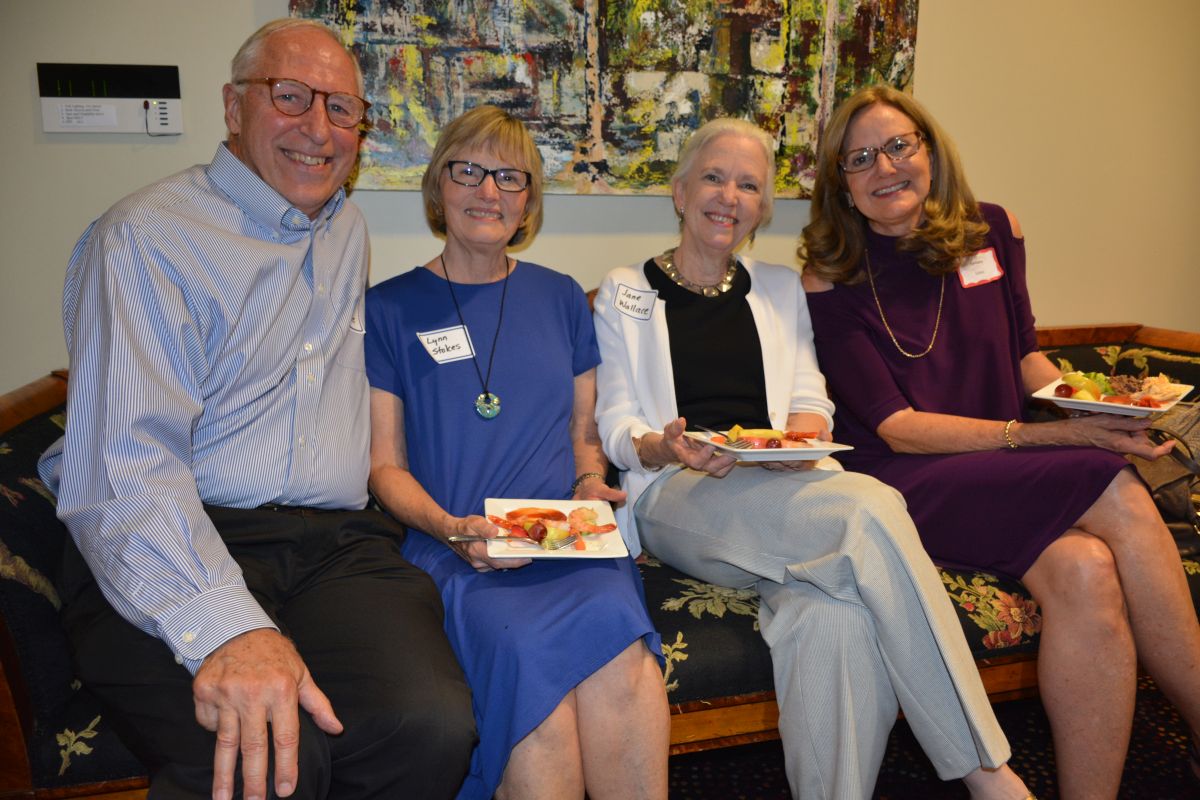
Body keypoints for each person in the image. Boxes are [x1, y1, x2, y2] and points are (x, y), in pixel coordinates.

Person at [37, 18, 476, 800]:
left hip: (336, 548)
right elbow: (123, 470)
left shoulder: (344, 227)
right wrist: (230, 628)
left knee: (429, 728)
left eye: (342, 108)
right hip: (182, 529)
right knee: (270, 761)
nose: (319, 128)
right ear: (234, 107)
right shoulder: (145, 239)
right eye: (291, 97)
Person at [593, 117, 1033, 800]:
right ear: (680, 192)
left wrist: (794, 443)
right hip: (679, 491)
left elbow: (810, 398)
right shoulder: (624, 291)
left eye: (749, 186)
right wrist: (664, 444)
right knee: (869, 508)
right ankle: (985, 769)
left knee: (833, 617)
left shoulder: (778, 287)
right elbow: (617, 424)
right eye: (713, 178)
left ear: (763, 207)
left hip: (783, 489)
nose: (729, 197)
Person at [801, 84, 1200, 798]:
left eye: (898, 145)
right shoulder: (830, 280)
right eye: (859, 159)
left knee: (1087, 569)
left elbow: (1026, 358)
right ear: (842, 184)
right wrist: (1059, 437)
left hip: (1001, 472)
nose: (884, 167)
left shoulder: (993, 229)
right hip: (907, 482)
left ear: (929, 150)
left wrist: (1095, 405)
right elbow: (899, 429)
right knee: (1109, 480)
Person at [365, 104, 668, 800]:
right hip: (455, 548)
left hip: (564, 540)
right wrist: (452, 529)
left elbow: (584, 435)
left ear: (528, 199)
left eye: (510, 177)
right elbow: (384, 467)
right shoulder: (388, 309)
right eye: (468, 171)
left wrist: (590, 483)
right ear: (438, 185)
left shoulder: (560, 297)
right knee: (539, 702)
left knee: (625, 665)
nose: (488, 191)